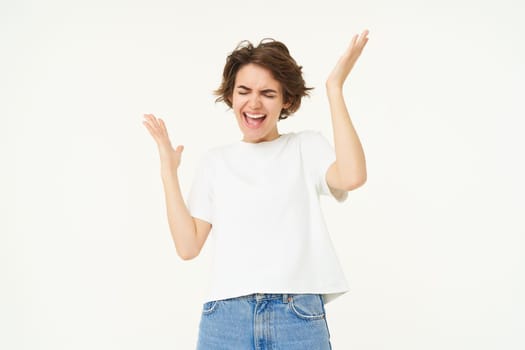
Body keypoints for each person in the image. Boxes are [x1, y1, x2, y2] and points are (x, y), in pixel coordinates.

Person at [142, 30, 369, 350]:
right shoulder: (215, 162)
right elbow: (188, 245)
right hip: (225, 319)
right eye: (244, 91)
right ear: (231, 96)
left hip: (296, 315)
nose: (254, 103)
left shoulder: (306, 147)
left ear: (287, 100)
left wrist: (335, 89)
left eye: (268, 93)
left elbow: (352, 176)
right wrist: (168, 170)